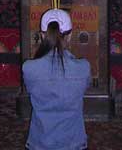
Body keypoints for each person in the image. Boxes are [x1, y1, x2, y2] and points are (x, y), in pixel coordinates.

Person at [23, 8, 91, 150]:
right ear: (70, 35)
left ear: (42, 35)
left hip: (40, 143)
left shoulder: (28, 68)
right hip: (74, 143)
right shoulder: (83, 67)